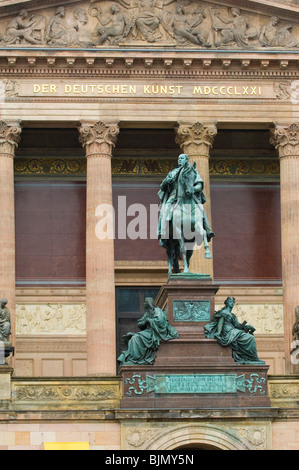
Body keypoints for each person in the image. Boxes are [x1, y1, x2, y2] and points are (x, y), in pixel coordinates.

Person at [158, 153, 214, 244]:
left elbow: (199, 185)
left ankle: (208, 230)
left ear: (186, 160)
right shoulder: (172, 173)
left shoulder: (192, 171)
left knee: (201, 209)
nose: (179, 160)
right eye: (178, 158)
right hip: (174, 196)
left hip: (189, 194)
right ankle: (163, 232)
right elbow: (162, 187)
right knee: (165, 209)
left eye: (182, 158)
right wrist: (166, 182)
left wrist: (193, 189)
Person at [118, 297, 178, 365]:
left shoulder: (157, 310)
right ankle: (135, 358)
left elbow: (160, 321)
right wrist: (145, 321)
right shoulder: (147, 313)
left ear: (149, 303)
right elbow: (140, 323)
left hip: (155, 332)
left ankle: (136, 359)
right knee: (133, 337)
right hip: (149, 332)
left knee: (136, 338)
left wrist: (149, 320)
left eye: (145, 302)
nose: (144, 303)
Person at [205, 297, 265, 364]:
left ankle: (252, 358)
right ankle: (253, 358)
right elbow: (220, 323)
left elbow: (238, 326)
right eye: (230, 301)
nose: (232, 303)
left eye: (233, 302)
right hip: (228, 332)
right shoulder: (224, 312)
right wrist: (218, 333)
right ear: (226, 303)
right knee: (250, 338)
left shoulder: (233, 315)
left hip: (233, 331)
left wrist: (247, 327)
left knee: (250, 337)